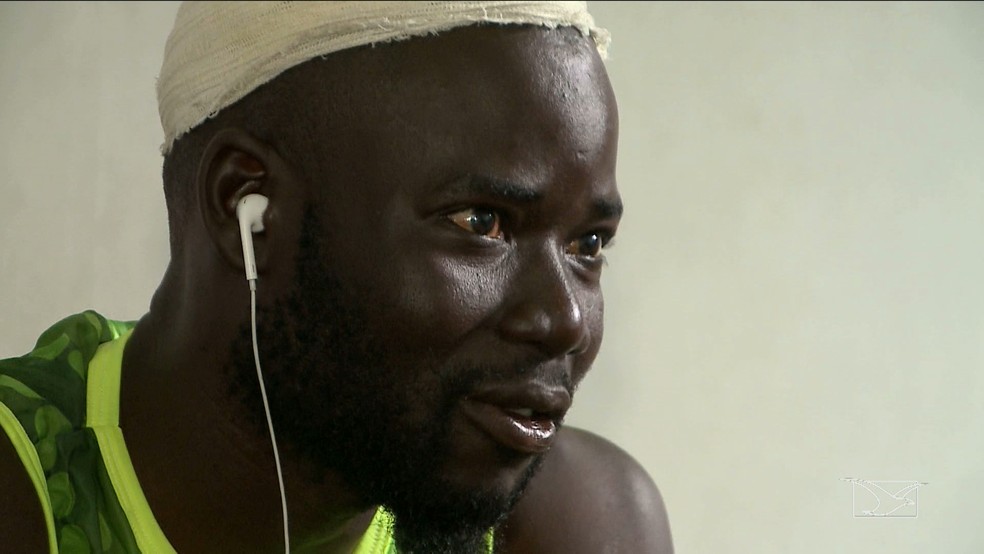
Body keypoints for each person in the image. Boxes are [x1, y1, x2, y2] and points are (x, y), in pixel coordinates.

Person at [0, 2, 673, 552]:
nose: (565, 321)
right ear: (248, 207)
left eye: (587, 244)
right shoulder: (26, 498)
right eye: (481, 223)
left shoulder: (576, 526)